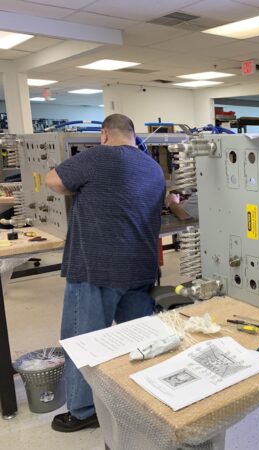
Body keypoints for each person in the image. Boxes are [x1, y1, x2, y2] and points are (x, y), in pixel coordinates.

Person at [45, 114, 166, 432]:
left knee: (84, 341)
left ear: (103, 135)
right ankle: (140, 399)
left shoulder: (97, 155)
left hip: (96, 269)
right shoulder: (152, 167)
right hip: (140, 268)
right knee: (138, 341)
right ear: (133, 134)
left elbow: (53, 181)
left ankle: (84, 411)